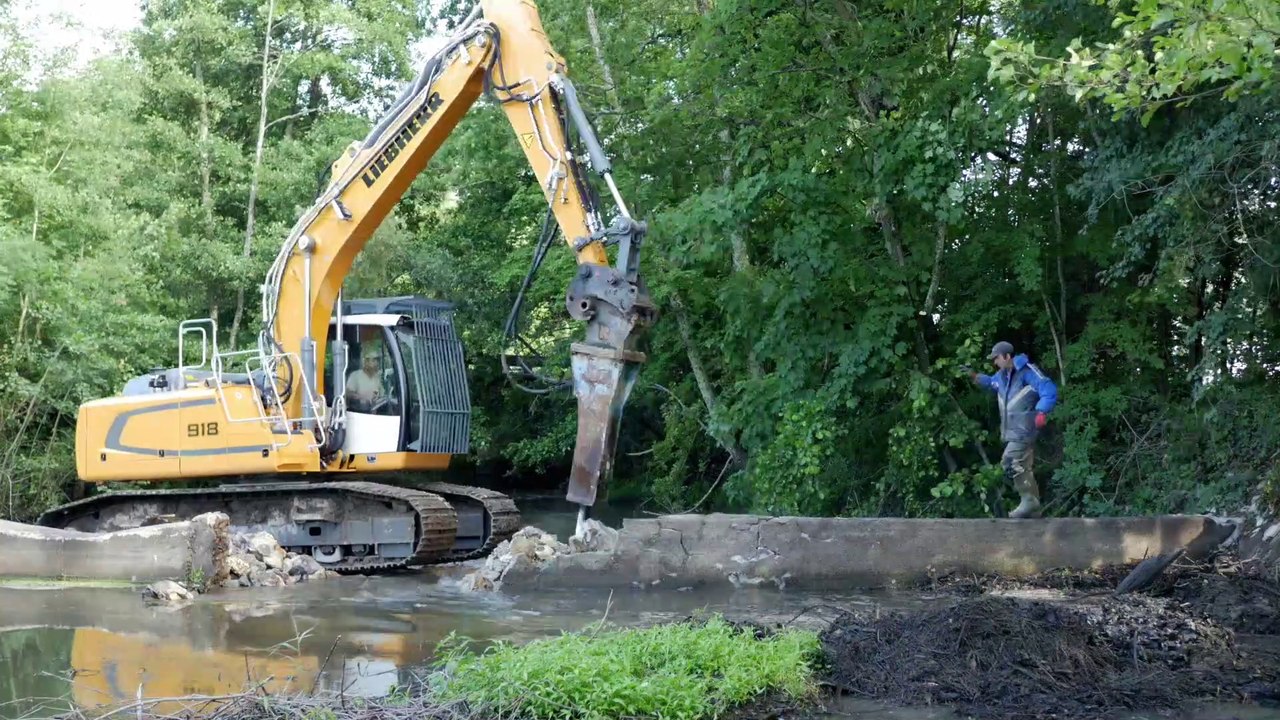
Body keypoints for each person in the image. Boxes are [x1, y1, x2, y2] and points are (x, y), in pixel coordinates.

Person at [970, 341, 1057, 519]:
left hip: (1025, 429)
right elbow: (991, 383)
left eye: (996, 358)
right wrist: (975, 376)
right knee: (1023, 466)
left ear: (1007, 356)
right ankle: (1033, 508)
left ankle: (1028, 501)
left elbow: (1048, 388)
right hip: (1014, 431)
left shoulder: (1027, 372)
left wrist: (1042, 410)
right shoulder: (1002, 376)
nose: (995, 362)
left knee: (1009, 463)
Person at [346, 346, 384, 412]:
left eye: (377, 360)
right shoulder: (355, 375)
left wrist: (377, 397)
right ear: (366, 361)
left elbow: (381, 394)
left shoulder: (377, 377)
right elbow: (348, 394)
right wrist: (361, 397)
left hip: (374, 413)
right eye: (374, 360)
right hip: (358, 413)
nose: (376, 363)